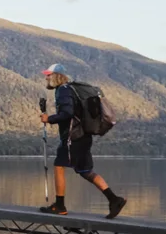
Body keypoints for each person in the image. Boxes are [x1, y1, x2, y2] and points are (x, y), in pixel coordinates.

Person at [39, 64, 126, 218]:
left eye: (48, 75)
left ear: (57, 76)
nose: (46, 77)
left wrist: (49, 119)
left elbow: (67, 113)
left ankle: (60, 206)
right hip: (84, 137)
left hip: (73, 138)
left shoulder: (63, 91)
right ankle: (114, 199)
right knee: (85, 171)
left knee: (59, 166)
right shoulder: (71, 89)